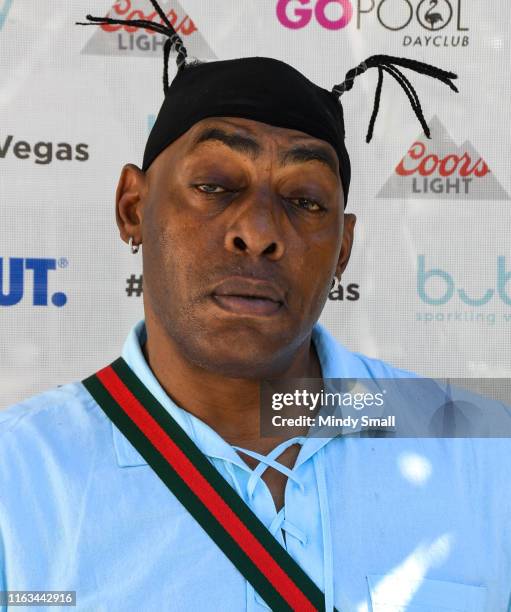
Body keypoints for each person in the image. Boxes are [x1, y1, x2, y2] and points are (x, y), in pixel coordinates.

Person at [1, 2, 510, 610]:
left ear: (343, 246)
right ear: (133, 208)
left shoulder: (481, 456)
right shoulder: (18, 479)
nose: (260, 230)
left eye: (305, 200)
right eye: (215, 186)